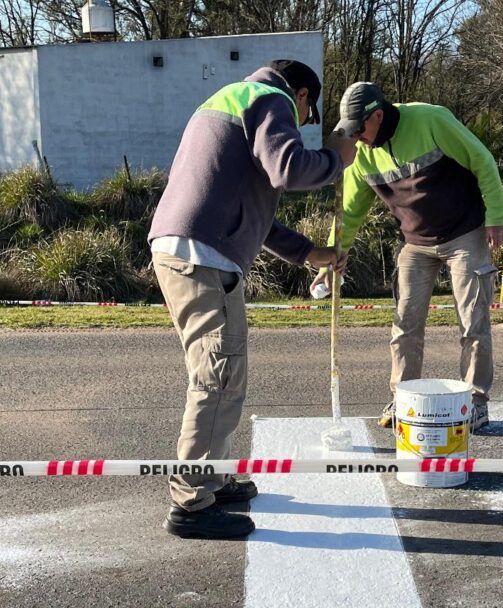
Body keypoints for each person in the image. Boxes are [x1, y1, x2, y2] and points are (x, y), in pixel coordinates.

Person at [148, 60, 354, 539]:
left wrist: (308, 253)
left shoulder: (228, 102)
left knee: (223, 373)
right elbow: (288, 169)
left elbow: (255, 212)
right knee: (217, 377)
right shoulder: (270, 99)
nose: (301, 122)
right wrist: (337, 157)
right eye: (307, 113)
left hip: (187, 247)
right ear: (302, 95)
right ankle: (192, 503)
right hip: (202, 255)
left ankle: (212, 480)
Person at [310, 82, 503, 432]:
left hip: (465, 234)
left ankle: (476, 401)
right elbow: (350, 212)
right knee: (404, 325)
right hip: (416, 244)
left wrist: (496, 216)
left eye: (359, 129)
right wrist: (332, 258)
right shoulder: (362, 155)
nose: (356, 138)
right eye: (350, 132)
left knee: (473, 322)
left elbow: (482, 160)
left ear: (379, 115)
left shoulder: (431, 120)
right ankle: (404, 397)